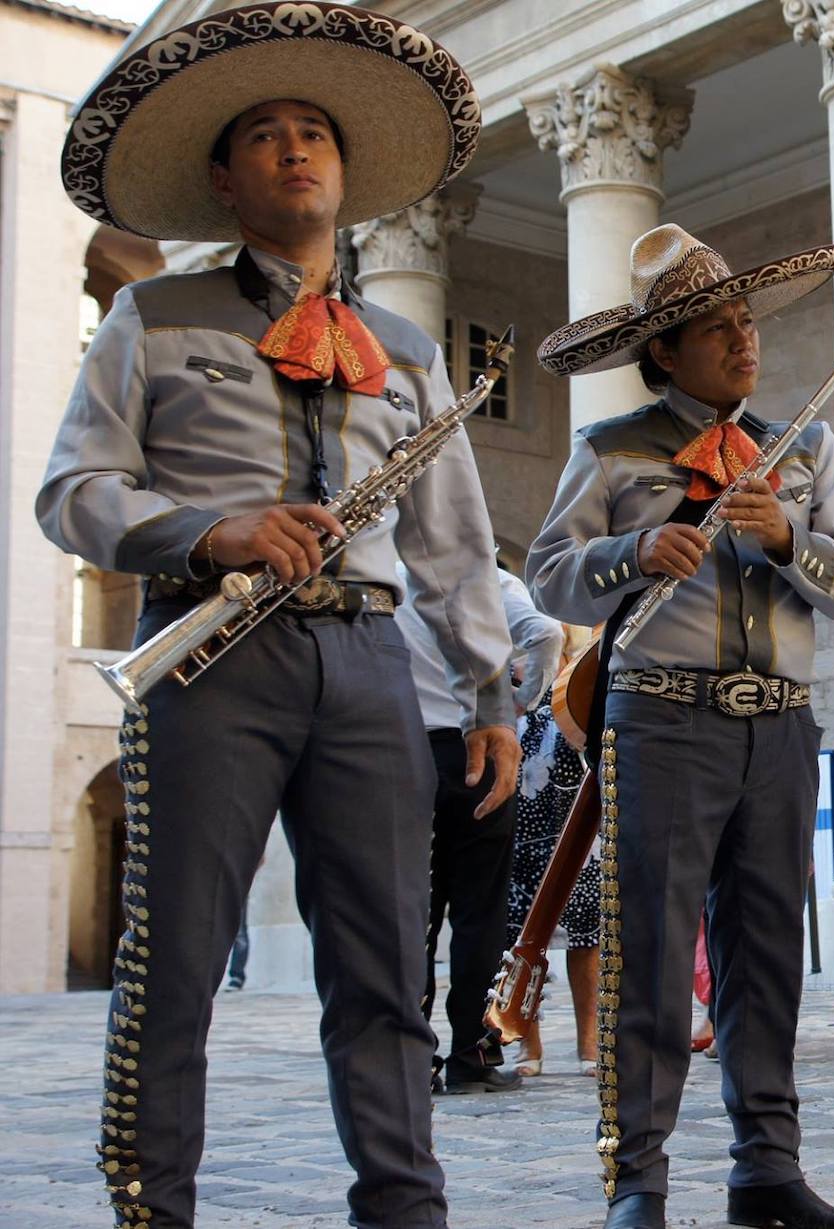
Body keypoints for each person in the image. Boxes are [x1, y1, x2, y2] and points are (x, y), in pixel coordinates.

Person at [38, 9, 516, 1226]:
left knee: (384, 961)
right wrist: (212, 529)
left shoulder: (405, 349)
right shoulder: (153, 316)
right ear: (222, 175)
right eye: (263, 134)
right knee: (177, 954)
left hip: (369, 663)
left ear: (344, 173)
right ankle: (154, 1207)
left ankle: (405, 1204)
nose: (294, 149)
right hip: (209, 654)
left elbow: (454, 549)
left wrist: (494, 695)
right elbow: (72, 492)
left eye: (314, 132)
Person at [527, 224, 834, 1229]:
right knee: (646, 947)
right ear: (662, 352)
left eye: (744, 322)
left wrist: (787, 538)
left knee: (764, 948)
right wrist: (635, 548)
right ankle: (635, 1174)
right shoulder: (609, 451)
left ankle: (767, 1164)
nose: (742, 341)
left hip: (778, 723)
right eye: (713, 328)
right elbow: (549, 571)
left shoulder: (803, 446)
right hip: (661, 718)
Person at [404, 565, 562, 1095]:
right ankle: (472, 1054)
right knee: (481, 909)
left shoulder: (392, 579)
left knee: (415, 913)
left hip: (408, 750)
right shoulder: (486, 580)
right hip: (481, 745)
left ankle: (413, 1057)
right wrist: (523, 706)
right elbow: (545, 633)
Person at [505, 696, 598, 1077]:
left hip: (570, 785)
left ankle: (589, 1042)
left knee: (587, 931)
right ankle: (526, 1037)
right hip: (521, 815)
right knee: (520, 933)